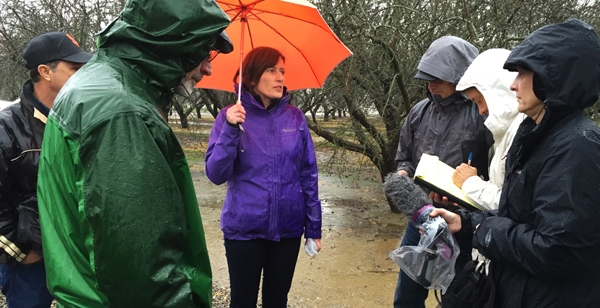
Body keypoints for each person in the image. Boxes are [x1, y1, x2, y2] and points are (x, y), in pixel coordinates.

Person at [35, 0, 232, 307]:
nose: (208, 67)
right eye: (203, 51)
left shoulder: (98, 87)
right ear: (173, 42)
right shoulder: (121, 112)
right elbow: (143, 275)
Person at [431, 19, 600, 307]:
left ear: (552, 76)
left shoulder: (577, 147)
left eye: (522, 73)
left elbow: (557, 250)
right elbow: (518, 214)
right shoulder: (540, 136)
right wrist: (466, 221)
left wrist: (482, 230)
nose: (512, 84)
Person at [205, 46, 322, 308]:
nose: (280, 77)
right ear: (252, 77)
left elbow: (308, 173)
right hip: (244, 230)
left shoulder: (295, 118)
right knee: (242, 302)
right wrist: (231, 130)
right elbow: (215, 174)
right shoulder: (229, 116)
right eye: (272, 70)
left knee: (277, 301)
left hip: (288, 229)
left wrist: (313, 228)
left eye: (282, 71)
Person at [393, 36, 493, 308]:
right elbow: (405, 157)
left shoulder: (482, 114)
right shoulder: (419, 112)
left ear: (459, 77)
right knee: (406, 296)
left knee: (457, 297)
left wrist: (473, 184)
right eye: (426, 78)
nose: (430, 84)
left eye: (437, 77)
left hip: (462, 224)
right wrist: (403, 174)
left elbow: (497, 178)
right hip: (422, 218)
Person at [0, 32, 91, 308]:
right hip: (31, 258)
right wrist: (21, 252)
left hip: (77, 251)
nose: (83, 75)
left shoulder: (84, 118)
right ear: (44, 71)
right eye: (74, 68)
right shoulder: (7, 128)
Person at [451, 49, 522, 210]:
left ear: (498, 93)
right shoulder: (504, 133)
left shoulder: (521, 132)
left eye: (480, 100)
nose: (481, 111)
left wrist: (470, 183)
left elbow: (511, 205)